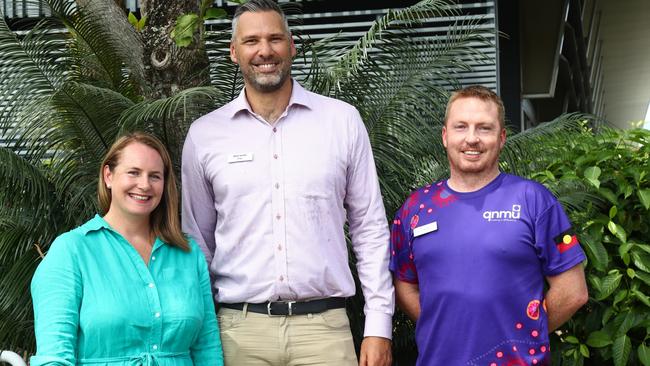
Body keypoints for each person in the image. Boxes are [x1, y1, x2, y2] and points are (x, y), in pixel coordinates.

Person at [181, 1, 394, 365]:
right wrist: (202, 333)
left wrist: (378, 325)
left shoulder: (341, 122)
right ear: (234, 52)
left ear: (292, 46)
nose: (265, 51)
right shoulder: (205, 136)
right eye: (251, 41)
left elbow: (369, 228)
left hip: (324, 330)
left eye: (275, 38)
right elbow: (197, 241)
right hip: (238, 332)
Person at [390, 85, 589, 365]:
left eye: (484, 128)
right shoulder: (415, 209)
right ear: (445, 136)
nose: (472, 139)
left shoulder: (534, 201)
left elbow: (573, 291)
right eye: (461, 127)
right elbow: (404, 285)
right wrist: (446, 329)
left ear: (502, 137)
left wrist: (527, 332)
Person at [31, 132, 224, 366]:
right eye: (133, 172)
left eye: (155, 176)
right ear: (108, 176)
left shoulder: (188, 253)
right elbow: (54, 358)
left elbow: (207, 347)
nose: (144, 185)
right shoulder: (71, 251)